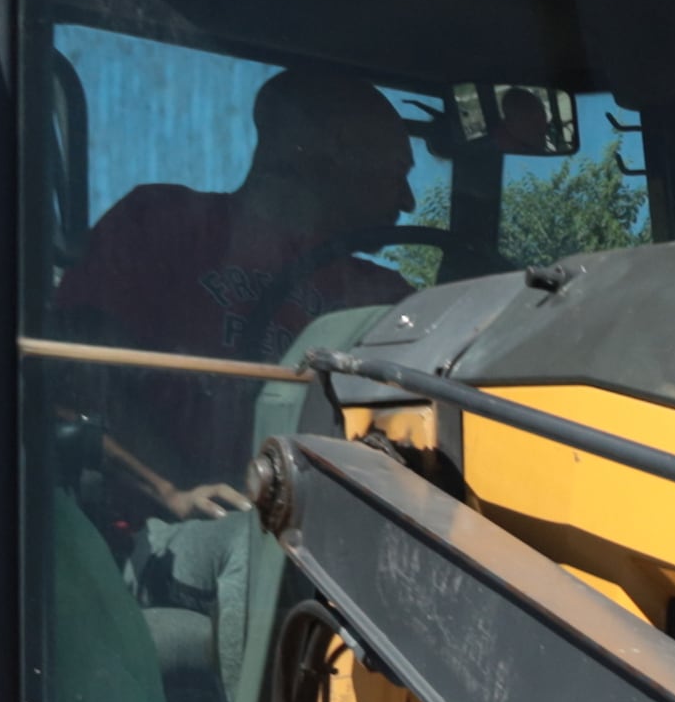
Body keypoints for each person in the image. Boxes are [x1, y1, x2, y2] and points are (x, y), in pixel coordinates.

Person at [47, 63, 423, 511]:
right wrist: (170, 491)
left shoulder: (386, 295)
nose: (408, 200)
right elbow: (78, 377)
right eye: (396, 171)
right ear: (329, 152)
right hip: (162, 531)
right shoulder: (161, 224)